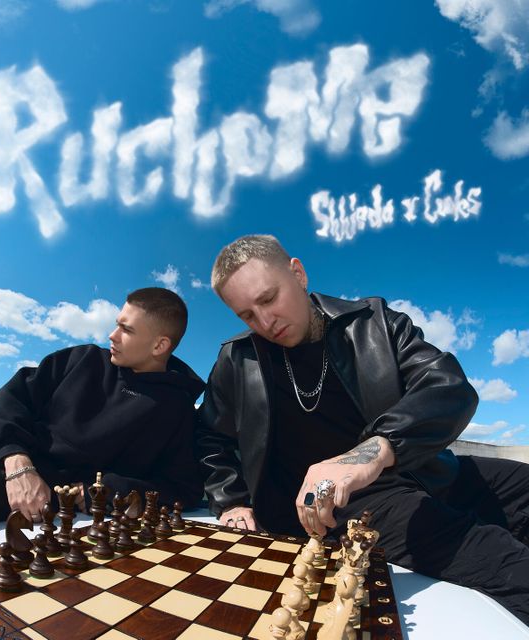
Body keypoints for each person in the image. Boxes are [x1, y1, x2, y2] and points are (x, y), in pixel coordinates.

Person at [196, 234, 529, 625]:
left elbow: (448, 386)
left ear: (298, 274)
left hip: (422, 468)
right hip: (342, 507)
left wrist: (371, 451)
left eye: (269, 299)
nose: (265, 322)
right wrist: (231, 500)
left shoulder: (374, 322)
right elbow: (211, 438)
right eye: (247, 315)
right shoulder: (237, 360)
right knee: (506, 564)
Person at [0, 287, 204, 542]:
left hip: (31, 484)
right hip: (3, 445)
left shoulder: (175, 410)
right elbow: (11, 398)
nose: (112, 335)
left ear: (159, 345)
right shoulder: (83, 359)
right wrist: (16, 460)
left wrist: (101, 491)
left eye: (126, 329)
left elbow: (183, 488)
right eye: (116, 323)